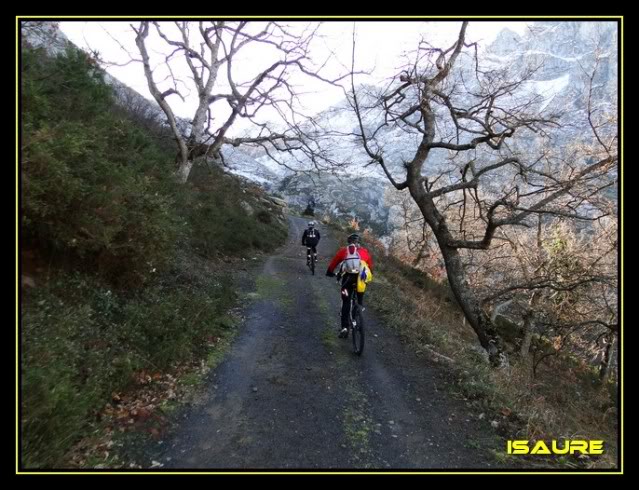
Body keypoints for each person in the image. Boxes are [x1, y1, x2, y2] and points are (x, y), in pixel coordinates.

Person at [326, 233, 374, 338]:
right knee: (360, 295)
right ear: (359, 242)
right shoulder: (364, 252)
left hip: (348, 280)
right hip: (360, 281)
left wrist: (329, 272)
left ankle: (345, 327)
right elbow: (370, 267)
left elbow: (334, 263)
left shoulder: (345, 251)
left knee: (346, 301)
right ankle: (359, 310)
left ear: (348, 242)